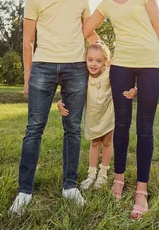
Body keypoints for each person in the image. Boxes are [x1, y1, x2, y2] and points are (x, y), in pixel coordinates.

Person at [9, 0, 98, 217]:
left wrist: (105, 56)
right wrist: (28, 75)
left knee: (72, 128)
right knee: (34, 128)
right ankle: (24, 191)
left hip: (75, 67)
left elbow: (88, 33)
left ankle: (70, 186)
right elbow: (28, 40)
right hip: (43, 66)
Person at [83, 0, 159, 220]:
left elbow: (158, 27)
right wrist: (103, 51)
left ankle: (141, 190)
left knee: (144, 127)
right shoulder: (106, 4)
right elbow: (87, 29)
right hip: (121, 67)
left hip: (150, 65)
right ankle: (118, 178)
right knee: (121, 124)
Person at [56, 42, 137, 190]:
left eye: (99, 61)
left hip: (108, 114)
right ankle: (91, 174)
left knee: (107, 143)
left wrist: (134, 89)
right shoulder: (83, 76)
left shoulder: (109, 72)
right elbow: (73, 92)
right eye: (90, 60)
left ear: (105, 62)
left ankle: (103, 174)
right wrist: (61, 102)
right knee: (94, 144)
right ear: (85, 59)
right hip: (93, 116)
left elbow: (125, 79)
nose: (94, 64)